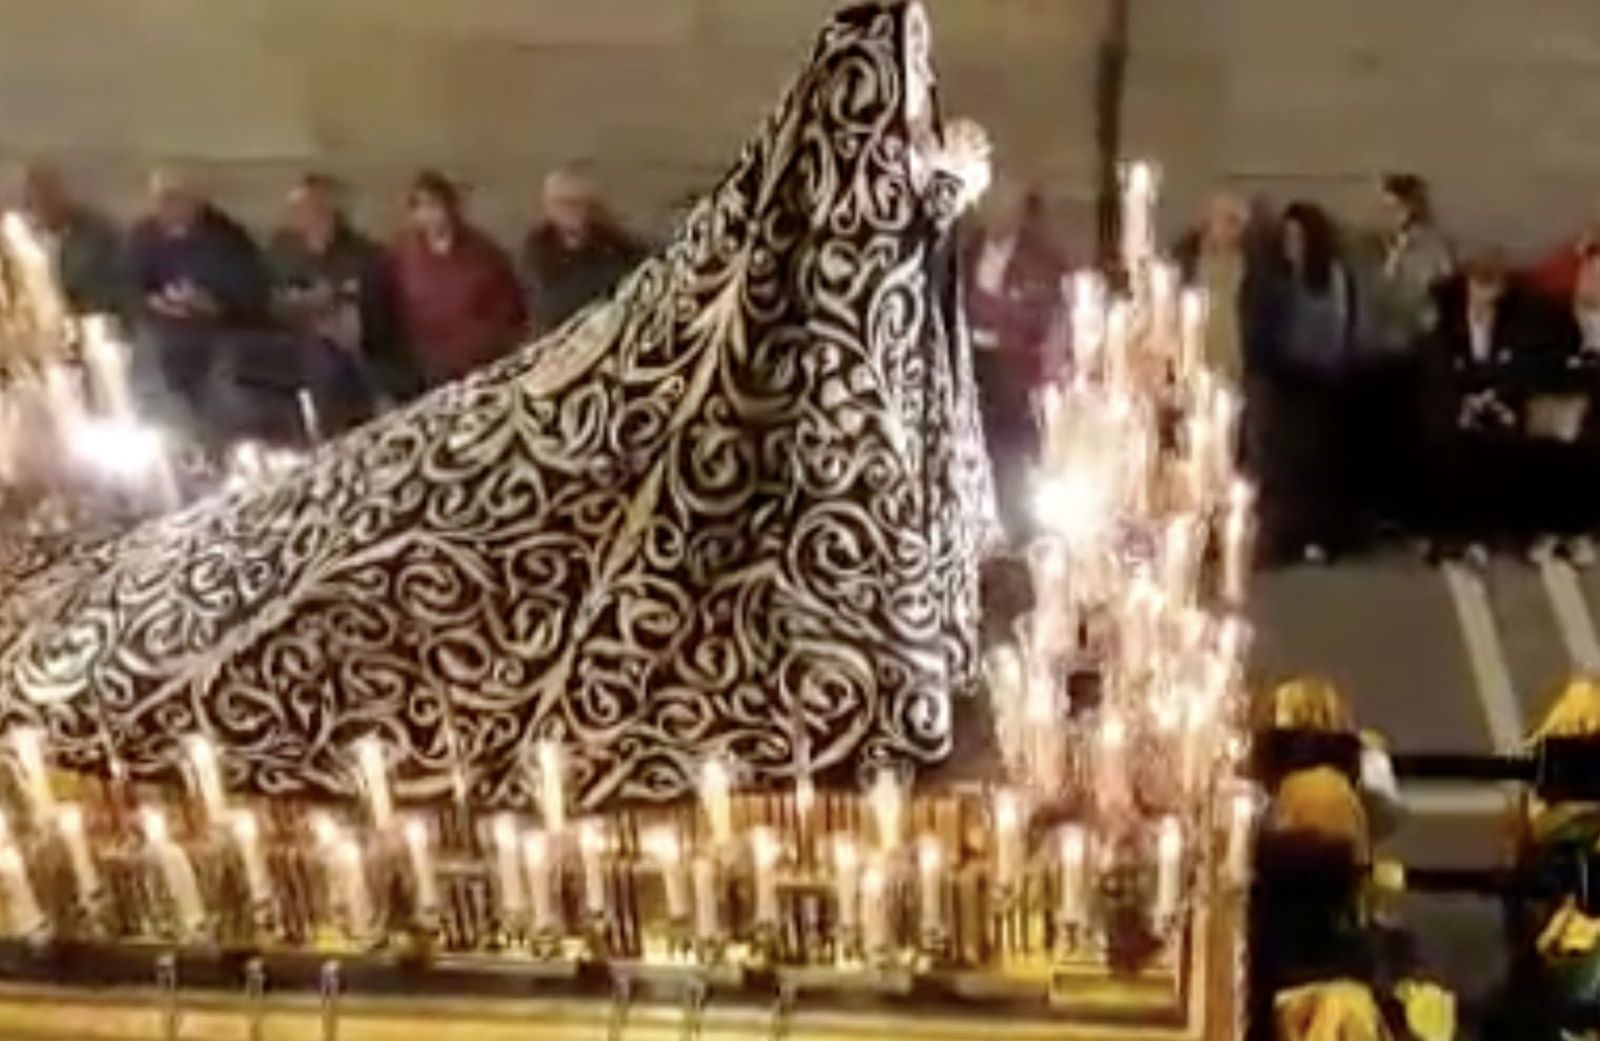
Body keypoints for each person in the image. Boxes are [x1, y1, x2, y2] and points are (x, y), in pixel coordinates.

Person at [0, 2, 994, 808]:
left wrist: (941, 189)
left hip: (620, 454)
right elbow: (848, 229)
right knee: (350, 543)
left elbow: (862, 249)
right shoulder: (858, 71)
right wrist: (939, 187)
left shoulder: (886, 65)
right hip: (559, 443)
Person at [962, 184, 1070, 541]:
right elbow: (961, 301)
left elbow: (1037, 314)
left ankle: (1020, 534)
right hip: (972, 363)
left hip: (1015, 371)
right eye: (987, 208)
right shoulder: (967, 250)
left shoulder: (1041, 259)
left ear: (1018, 213)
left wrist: (993, 309)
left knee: (1013, 458)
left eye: (1001, 209)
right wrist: (988, 307)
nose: (992, 217)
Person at [1349, 173, 1455, 535]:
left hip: (1412, 352)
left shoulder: (1431, 247)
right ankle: (1376, 510)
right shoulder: (1364, 247)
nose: (1382, 213)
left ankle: (1408, 510)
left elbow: (1436, 297)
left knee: (1408, 435)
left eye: (1390, 205)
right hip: (1372, 351)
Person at [126, 168, 270, 432]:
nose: (168, 207)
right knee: (146, 360)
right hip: (164, 325)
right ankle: (163, 436)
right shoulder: (144, 236)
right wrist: (154, 302)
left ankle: (215, 439)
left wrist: (214, 303)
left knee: (222, 378)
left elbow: (251, 292)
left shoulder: (226, 236)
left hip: (218, 326)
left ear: (195, 200)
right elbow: (131, 285)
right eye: (162, 199)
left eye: (175, 198)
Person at [1420, 247, 1541, 561]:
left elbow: (1520, 367)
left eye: (1495, 295)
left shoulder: (1515, 322)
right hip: (1456, 406)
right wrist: (1467, 401)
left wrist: (1496, 396)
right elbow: (1439, 369)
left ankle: (1507, 531)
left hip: (1498, 406)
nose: (1489, 305)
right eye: (1483, 291)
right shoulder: (1447, 323)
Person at [1257, 202, 1357, 564]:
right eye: (1287, 237)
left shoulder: (1330, 277)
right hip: (1286, 376)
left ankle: (1318, 534)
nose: (1291, 244)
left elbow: (1339, 326)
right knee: (1284, 463)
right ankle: (1287, 535)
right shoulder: (1277, 279)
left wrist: (1331, 364)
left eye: (1298, 237)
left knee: (1317, 461)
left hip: (1321, 378)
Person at [267, 174, 413, 412]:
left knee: (339, 358)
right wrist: (301, 302)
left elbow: (376, 310)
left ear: (333, 211)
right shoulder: (283, 249)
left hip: (357, 341)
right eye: (301, 210)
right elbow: (271, 298)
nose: (308, 217)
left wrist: (338, 300)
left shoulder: (362, 252)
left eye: (317, 209)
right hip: (297, 338)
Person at [388, 171, 526, 386]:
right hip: (430, 373)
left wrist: (489, 346)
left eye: (435, 205)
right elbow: (396, 314)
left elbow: (509, 308)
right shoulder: (402, 258)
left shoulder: (484, 253)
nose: (430, 215)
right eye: (420, 207)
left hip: (484, 367)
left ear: (450, 207)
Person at [521, 165, 643, 334]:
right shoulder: (536, 252)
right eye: (563, 203)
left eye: (583, 204)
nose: (573, 212)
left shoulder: (623, 252)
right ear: (548, 206)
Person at [16, 161, 126, 317]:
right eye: (38, 198)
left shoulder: (98, 233)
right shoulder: (20, 238)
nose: (45, 205)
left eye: (50, 196)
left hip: (87, 321)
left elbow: (116, 290)